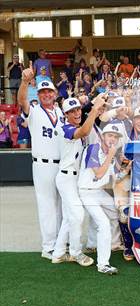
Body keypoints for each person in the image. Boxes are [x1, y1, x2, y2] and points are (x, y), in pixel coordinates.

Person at [18, 67, 65, 260]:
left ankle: (62, 242)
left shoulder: (61, 112)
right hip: (42, 164)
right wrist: (24, 82)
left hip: (61, 165)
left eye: (49, 91)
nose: (46, 94)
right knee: (47, 205)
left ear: (54, 94)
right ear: (38, 94)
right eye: (43, 92)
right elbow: (22, 100)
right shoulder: (34, 110)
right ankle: (49, 247)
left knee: (63, 206)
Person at [51, 96, 103, 269]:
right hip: (66, 177)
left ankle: (58, 253)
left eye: (78, 109)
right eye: (72, 111)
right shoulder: (64, 128)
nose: (76, 113)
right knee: (78, 215)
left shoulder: (76, 126)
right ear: (65, 114)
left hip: (74, 177)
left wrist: (95, 105)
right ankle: (75, 252)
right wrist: (94, 110)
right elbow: (84, 132)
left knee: (69, 218)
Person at [78, 123, 125, 274]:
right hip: (86, 192)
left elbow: (112, 178)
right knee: (103, 224)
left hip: (99, 192)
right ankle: (103, 264)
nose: (113, 139)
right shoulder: (94, 148)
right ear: (102, 136)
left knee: (119, 211)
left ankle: (116, 244)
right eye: (110, 135)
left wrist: (126, 169)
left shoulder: (110, 153)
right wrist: (111, 156)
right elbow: (98, 174)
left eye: (116, 137)